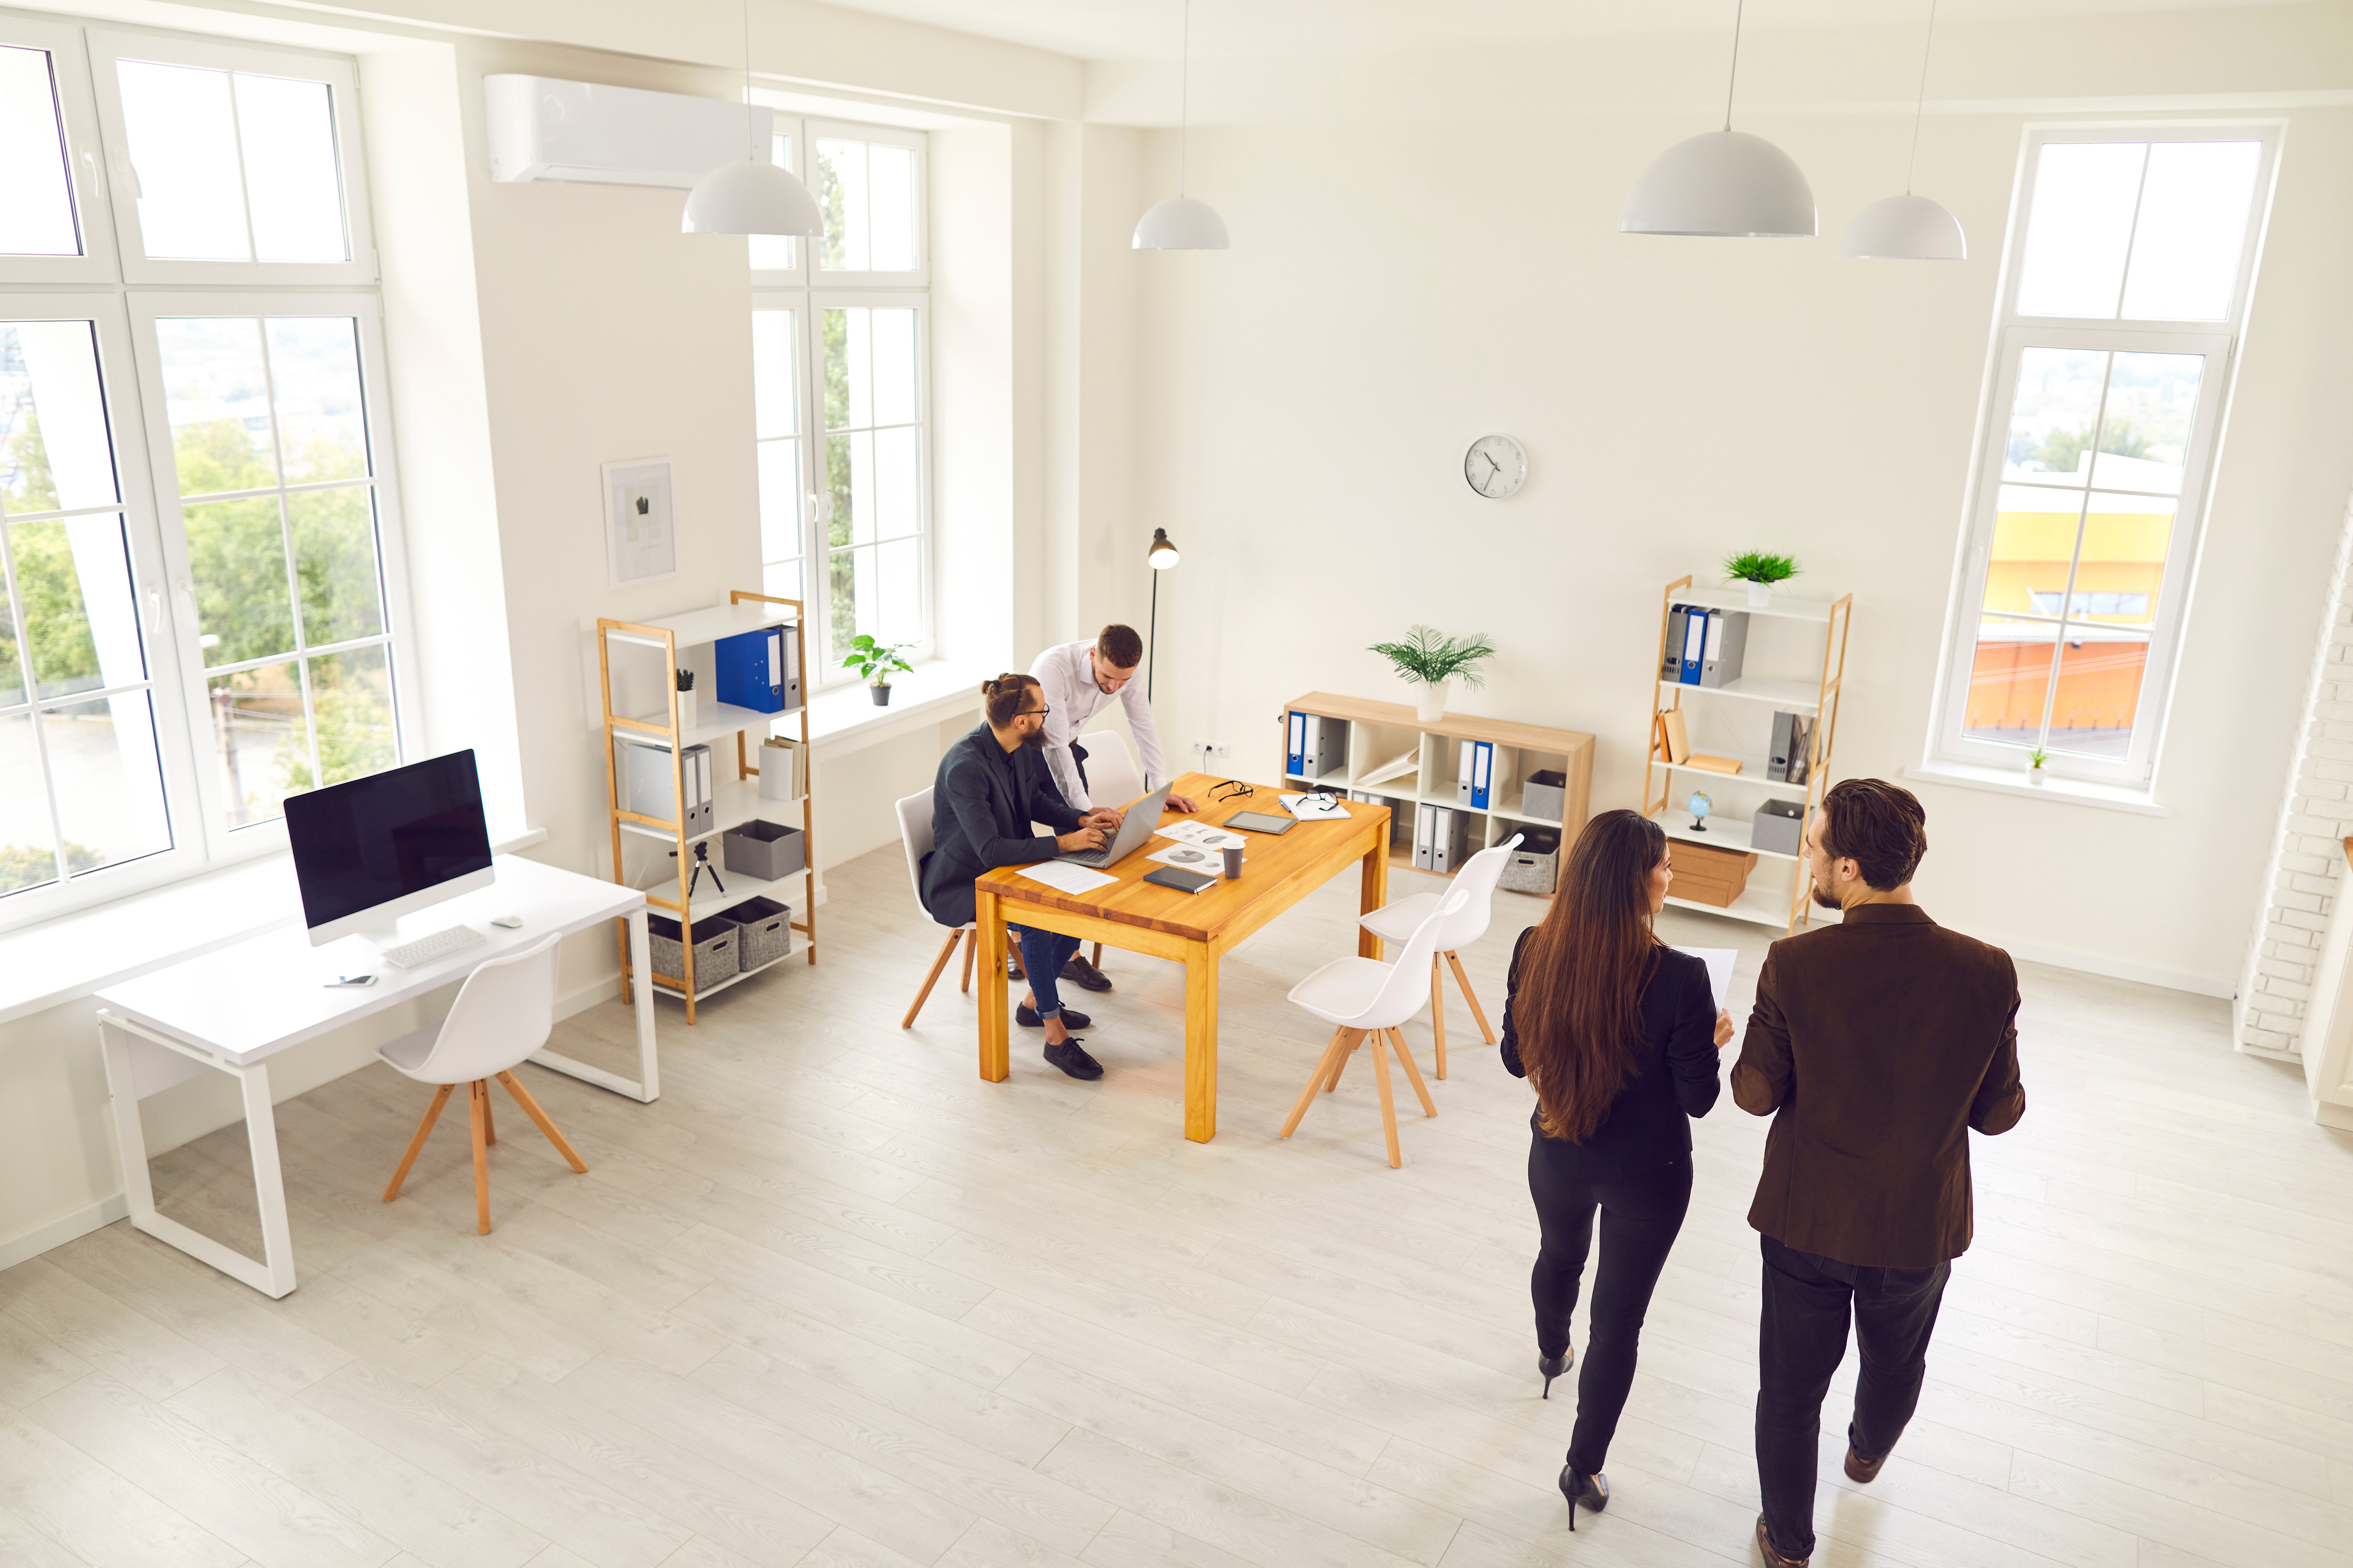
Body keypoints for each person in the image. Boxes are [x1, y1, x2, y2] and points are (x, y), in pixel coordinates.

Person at [1734, 779, 2025, 1568]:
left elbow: (1753, 1094)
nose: (1809, 860)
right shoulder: (1987, 970)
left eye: (1815, 849)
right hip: (1916, 1226)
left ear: (1850, 867)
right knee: (1896, 1362)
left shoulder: (1793, 962)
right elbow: (1997, 1114)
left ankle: (1786, 1544)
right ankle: (1864, 1452)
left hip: (1806, 1221)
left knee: (1789, 1392)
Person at [1498, 809, 1733, 1530]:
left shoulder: (1534, 945)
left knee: (1557, 1253)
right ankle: (1582, 1465)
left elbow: (1514, 1059)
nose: (1670, 874)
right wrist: (1709, 1037)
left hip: (1557, 1151)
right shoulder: (1684, 979)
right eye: (1663, 864)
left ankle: (1547, 1349)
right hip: (1648, 1174)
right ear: (1634, 880)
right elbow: (1697, 1099)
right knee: (1618, 1326)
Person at [918, 674, 1122, 1081]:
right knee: (1035, 919)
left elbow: (1033, 802)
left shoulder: (1017, 748)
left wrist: (1081, 817)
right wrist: (1064, 844)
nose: (1047, 717)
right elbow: (990, 850)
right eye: (1041, 711)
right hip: (965, 882)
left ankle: (1033, 1004)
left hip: (1008, 869)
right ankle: (1053, 1034)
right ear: (1021, 721)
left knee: (1075, 904)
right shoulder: (965, 767)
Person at [1027, 625, 1200, 993]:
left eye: (1122, 681)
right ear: (1093, 654)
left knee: (1089, 858)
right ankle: (1031, 947)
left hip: (1067, 750)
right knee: (1056, 855)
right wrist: (1086, 812)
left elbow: (1142, 723)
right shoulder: (1053, 668)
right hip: (1027, 755)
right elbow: (1053, 746)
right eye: (1107, 677)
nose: (1113, 687)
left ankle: (1066, 955)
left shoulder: (1126, 674)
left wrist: (1159, 787)